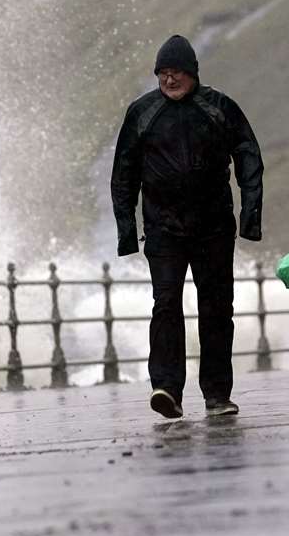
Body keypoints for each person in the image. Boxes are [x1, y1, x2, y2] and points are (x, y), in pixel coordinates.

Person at [111, 34, 264, 420]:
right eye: (163, 73)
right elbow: (123, 174)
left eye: (176, 72)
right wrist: (127, 231)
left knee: (216, 308)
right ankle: (167, 389)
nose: (169, 80)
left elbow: (248, 157)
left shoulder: (220, 107)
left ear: (192, 72)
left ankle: (217, 394)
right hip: (164, 229)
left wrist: (251, 217)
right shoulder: (142, 112)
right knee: (165, 305)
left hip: (213, 227)